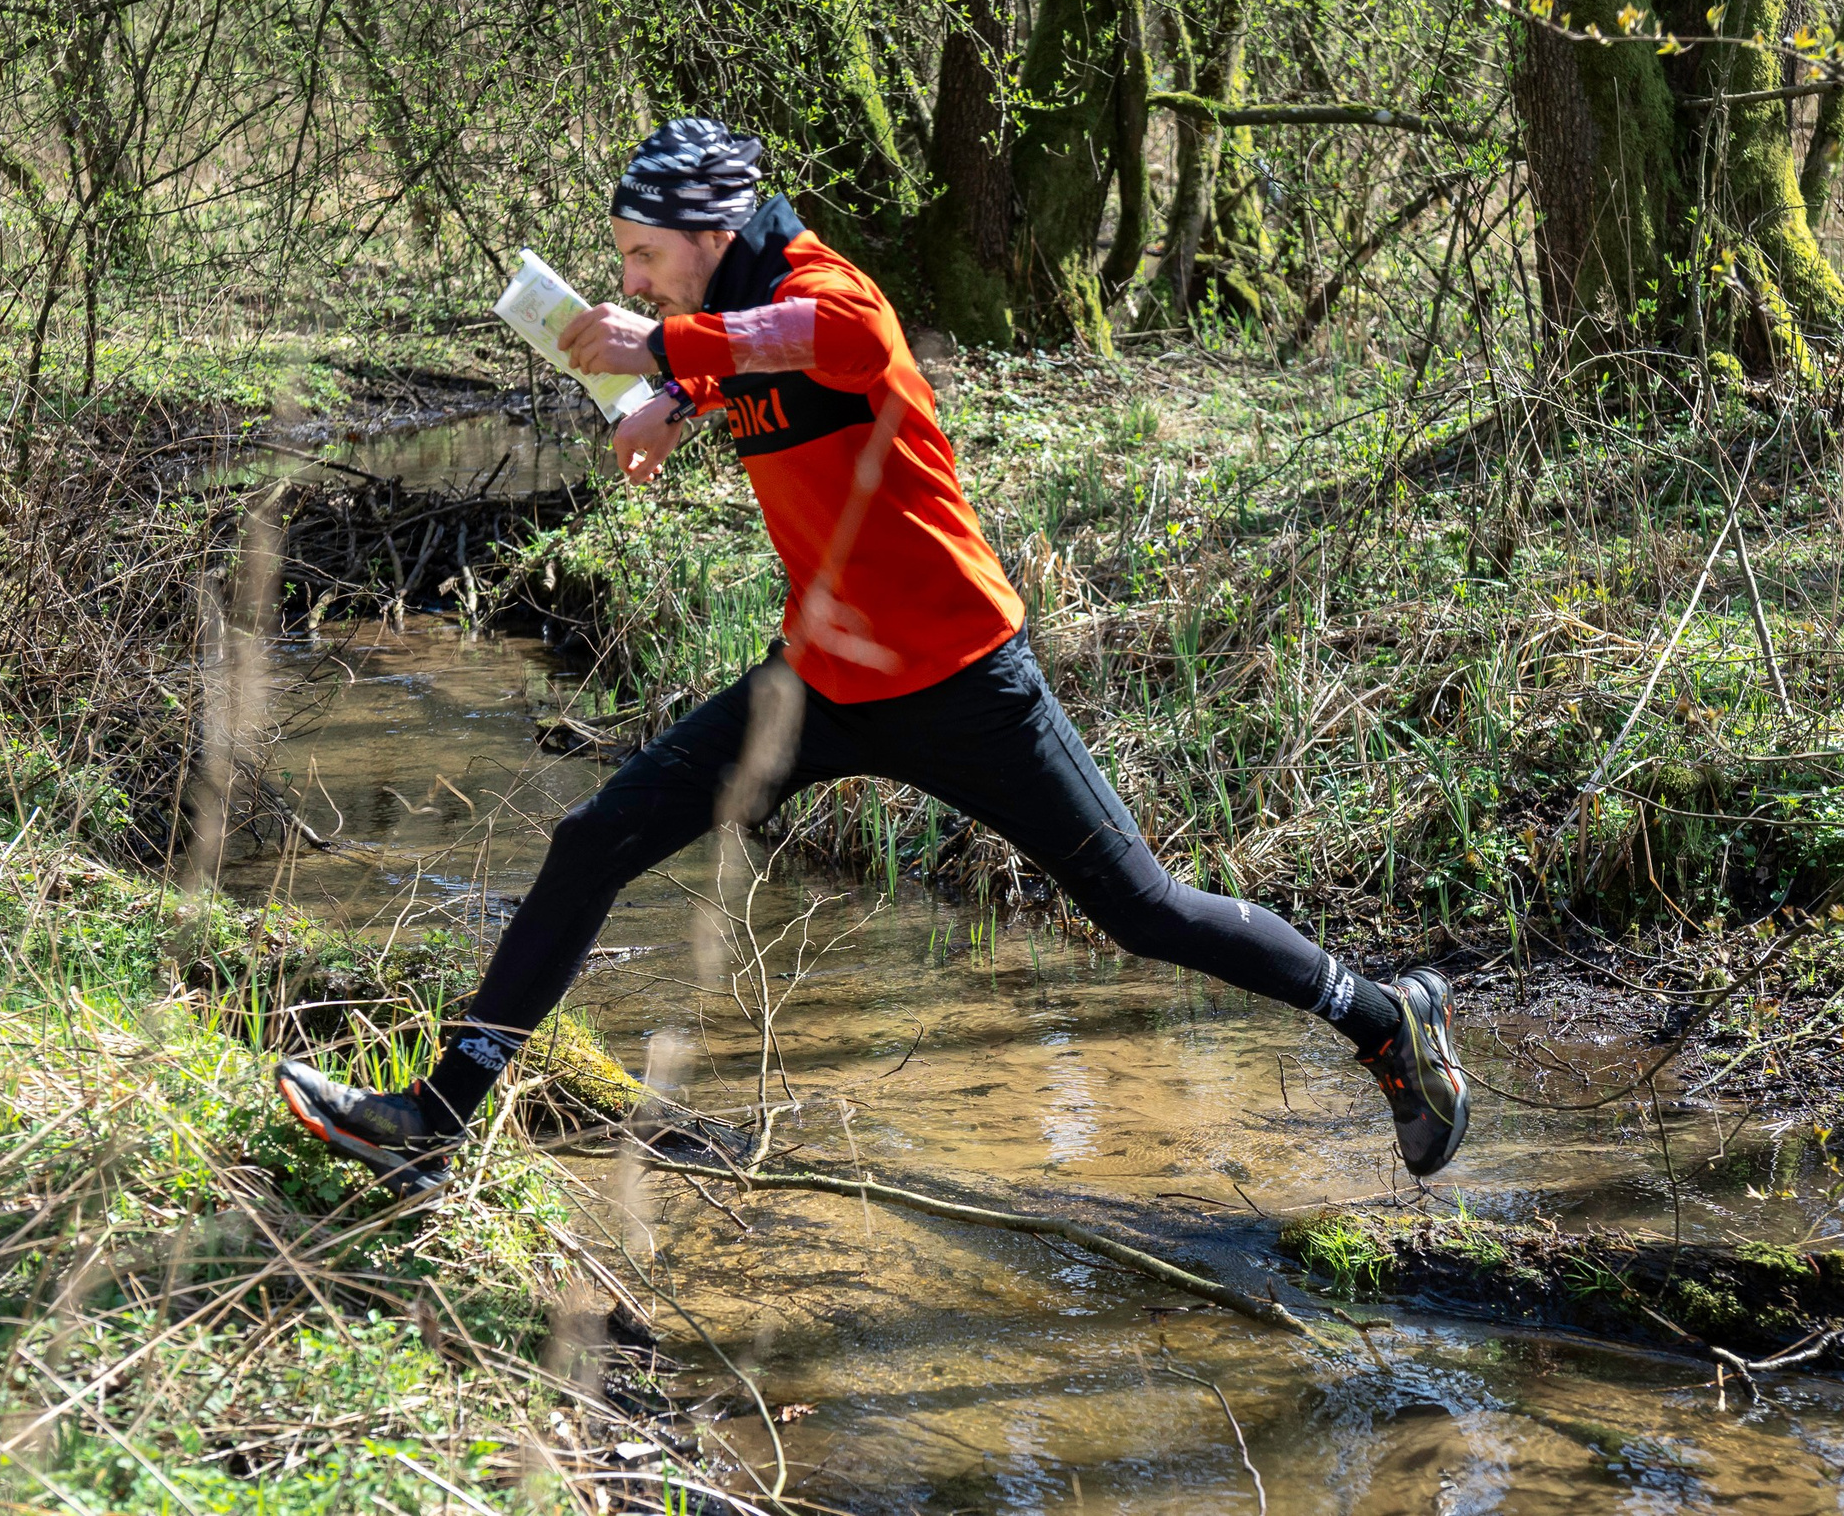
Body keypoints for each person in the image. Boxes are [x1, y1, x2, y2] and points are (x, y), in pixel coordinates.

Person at [275, 118, 1469, 1193]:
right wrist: (669, 398)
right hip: (822, 682)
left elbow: (812, 339)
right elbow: (742, 357)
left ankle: (1383, 1022)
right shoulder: (724, 328)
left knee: (1143, 911)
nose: (627, 280)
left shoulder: (830, 295)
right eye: (625, 261)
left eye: (643, 255)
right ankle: (435, 1117)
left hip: (962, 681)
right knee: (592, 844)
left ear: (714, 236)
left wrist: (662, 351)